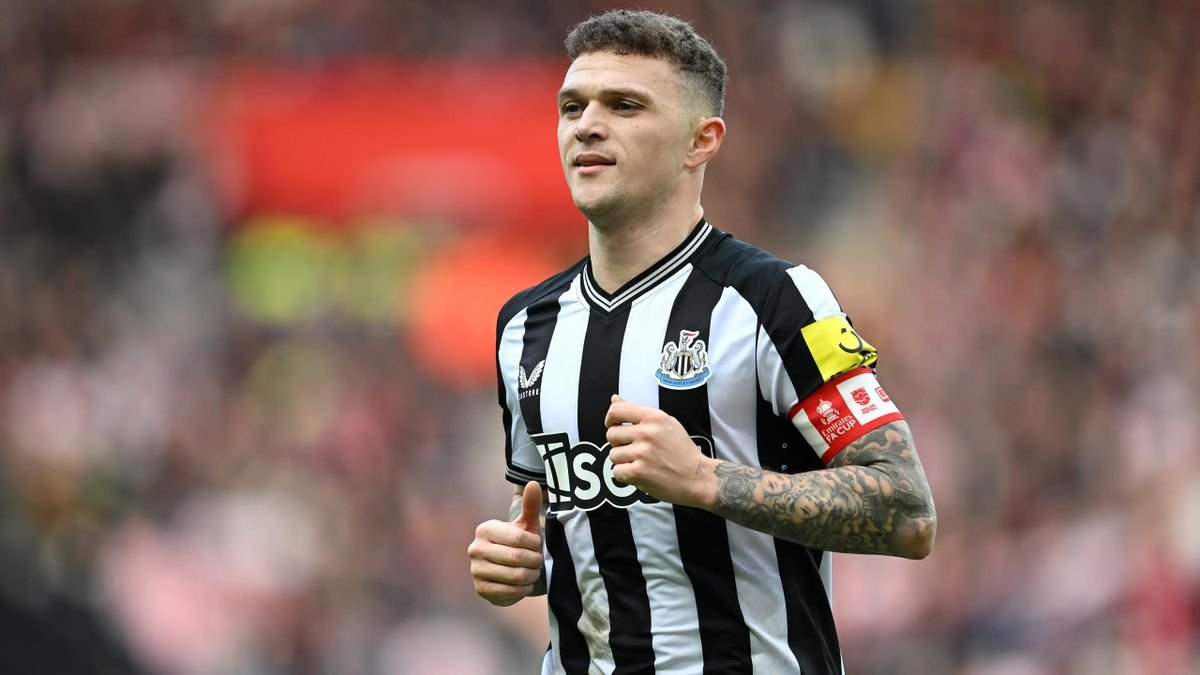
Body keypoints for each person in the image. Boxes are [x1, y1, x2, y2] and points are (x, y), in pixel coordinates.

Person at [467, 9, 936, 674]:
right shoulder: (525, 326)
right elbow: (562, 520)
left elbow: (907, 510)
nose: (587, 124)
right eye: (573, 106)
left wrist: (705, 478)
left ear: (701, 141)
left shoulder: (776, 299)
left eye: (625, 105)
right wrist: (524, 559)